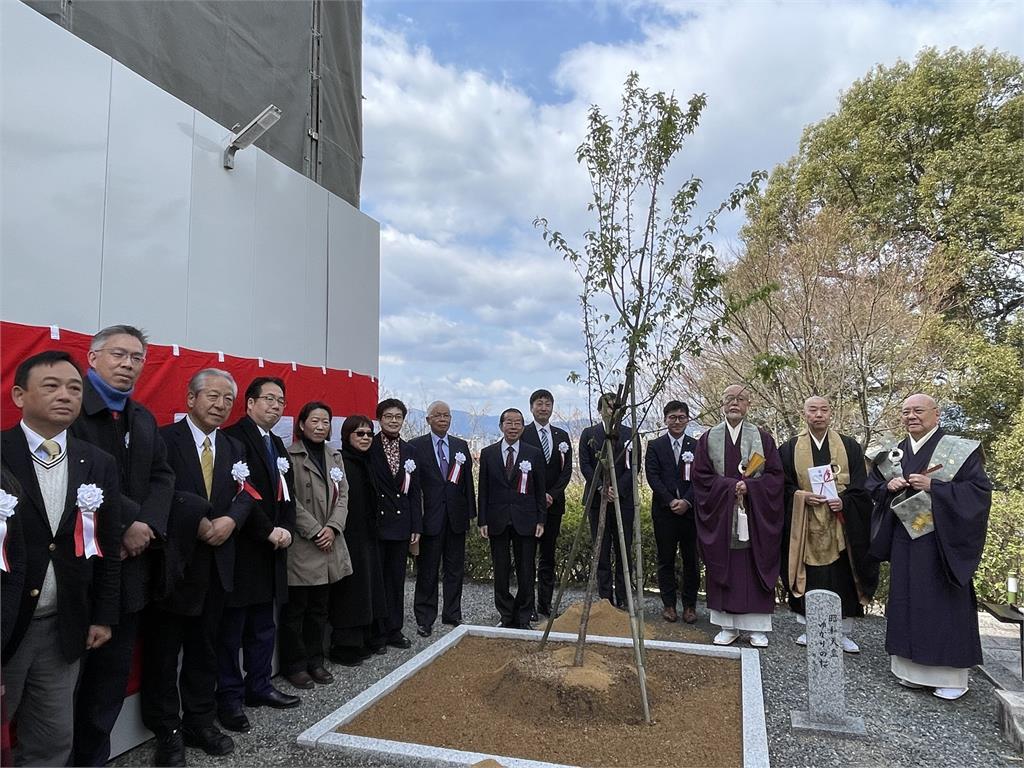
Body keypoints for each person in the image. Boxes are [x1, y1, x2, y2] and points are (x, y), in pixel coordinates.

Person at [0, 351, 121, 766]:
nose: (66, 395)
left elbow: (106, 545)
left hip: (62, 627)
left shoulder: (97, 462)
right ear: (19, 395)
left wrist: (102, 614)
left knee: (52, 740)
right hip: (5, 625)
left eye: (75, 388)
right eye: (51, 386)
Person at [71, 325, 176, 766]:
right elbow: (77, 473)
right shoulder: (71, 409)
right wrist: (130, 520)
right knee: (63, 687)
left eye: (137, 358)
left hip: (130, 571)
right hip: (79, 571)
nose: (128, 364)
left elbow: (163, 477)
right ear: (93, 358)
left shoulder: (143, 417)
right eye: (118, 354)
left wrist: (147, 524)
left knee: (108, 682)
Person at [143, 368, 254, 765]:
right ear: (190, 399)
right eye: (212, 396)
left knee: (206, 650)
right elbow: (154, 491)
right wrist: (198, 520)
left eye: (228, 399)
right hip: (175, 565)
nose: (220, 405)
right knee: (162, 652)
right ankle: (167, 729)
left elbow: (247, 493)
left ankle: (200, 720)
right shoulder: (162, 439)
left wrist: (232, 520)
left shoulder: (233, 446)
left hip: (218, 564)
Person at [867, 393, 991, 700]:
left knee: (941, 603)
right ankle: (910, 671)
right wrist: (887, 486)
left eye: (918, 411)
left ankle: (949, 678)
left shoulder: (957, 450)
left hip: (941, 542)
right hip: (904, 539)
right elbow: (871, 486)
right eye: (906, 412)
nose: (911, 416)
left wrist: (935, 486)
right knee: (907, 599)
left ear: (936, 414)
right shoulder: (894, 452)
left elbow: (978, 492)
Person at [219, 378, 299, 727]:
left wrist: (287, 529)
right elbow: (241, 494)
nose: (276, 406)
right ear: (249, 403)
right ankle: (230, 698)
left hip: (274, 550)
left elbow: (287, 494)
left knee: (264, 625)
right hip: (245, 548)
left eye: (281, 401)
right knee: (232, 630)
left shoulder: (277, 444)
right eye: (269, 399)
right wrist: (267, 530)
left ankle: (260, 684)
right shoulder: (234, 438)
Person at [780, 396, 878, 653]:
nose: (819, 415)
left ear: (831, 413)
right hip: (805, 522)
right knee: (812, 575)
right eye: (813, 410)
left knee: (842, 574)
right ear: (805, 414)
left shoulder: (849, 446)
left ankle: (843, 631)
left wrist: (844, 502)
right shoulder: (790, 448)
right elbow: (783, 486)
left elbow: (862, 486)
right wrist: (801, 497)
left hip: (841, 523)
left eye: (824, 410)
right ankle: (809, 628)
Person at [692, 384, 784, 647]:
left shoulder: (763, 438)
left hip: (754, 517)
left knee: (752, 567)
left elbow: (776, 477)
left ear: (748, 405)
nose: (735, 403)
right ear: (722, 403)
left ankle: (757, 629)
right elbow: (700, 477)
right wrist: (729, 486)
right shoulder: (709, 438)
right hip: (722, 516)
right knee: (726, 565)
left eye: (740, 399)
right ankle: (727, 626)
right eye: (730, 399)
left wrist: (751, 487)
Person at [281, 401, 351, 688]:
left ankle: (315, 660)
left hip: (329, 542)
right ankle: (295, 664)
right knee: (297, 609)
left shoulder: (335, 455)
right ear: (301, 424)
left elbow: (344, 494)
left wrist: (333, 528)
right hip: (303, 543)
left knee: (320, 608)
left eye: (325, 422)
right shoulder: (289, 456)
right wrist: (315, 530)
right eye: (315, 421)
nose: (321, 427)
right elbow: (288, 498)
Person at [408, 401, 475, 637]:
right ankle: (425, 618)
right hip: (430, 518)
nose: (443, 419)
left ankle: (452, 613)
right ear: (428, 420)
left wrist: (471, 514)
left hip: (455, 517)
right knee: (427, 570)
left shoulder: (460, 446)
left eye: (446, 415)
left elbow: (467, 483)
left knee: (455, 569)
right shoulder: (415, 447)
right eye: (437, 415)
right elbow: (413, 488)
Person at [477, 408, 546, 628]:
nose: (513, 427)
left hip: (526, 520)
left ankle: (524, 616)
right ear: (501, 426)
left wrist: (541, 520)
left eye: (518, 423)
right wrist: (483, 520)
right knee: (500, 570)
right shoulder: (488, 453)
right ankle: (506, 615)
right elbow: (484, 490)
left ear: (523, 427)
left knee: (526, 570)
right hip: (497, 520)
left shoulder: (533, 453)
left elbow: (540, 488)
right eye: (509, 422)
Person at [328, 415, 388, 664]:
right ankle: (345, 645)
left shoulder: (368, 462)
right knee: (350, 592)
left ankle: (365, 638)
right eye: (359, 434)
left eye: (368, 434)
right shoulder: (341, 462)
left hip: (368, 536)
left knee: (369, 589)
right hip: (348, 536)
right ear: (347, 436)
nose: (365, 438)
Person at [368, 399, 422, 649]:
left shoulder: (409, 450)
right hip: (377, 524)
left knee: (396, 579)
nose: (393, 420)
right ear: (379, 419)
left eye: (398, 416)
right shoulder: (370, 446)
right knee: (377, 580)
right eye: (388, 416)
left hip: (402, 524)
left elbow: (414, 492)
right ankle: (377, 633)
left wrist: (416, 526)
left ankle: (394, 629)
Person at [579, 393, 639, 609]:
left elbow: (634, 466)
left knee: (624, 549)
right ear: (600, 409)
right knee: (601, 549)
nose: (611, 411)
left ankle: (624, 596)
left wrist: (617, 489)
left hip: (623, 500)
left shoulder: (630, 434)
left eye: (616, 407)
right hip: (597, 499)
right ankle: (605, 597)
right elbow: (585, 465)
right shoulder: (589, 434)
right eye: (608, 407)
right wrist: (602, 488)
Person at [644, 400, 700, 624]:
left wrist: (687, 500)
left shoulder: (696, 445)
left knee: (691, 560)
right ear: (665, 419)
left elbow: (701, 478)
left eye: (681, 417)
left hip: (690, 512)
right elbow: (652, 476)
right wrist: (670, 501)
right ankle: (668, 604)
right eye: (672, 417)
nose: (677, 421)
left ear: (687, 419)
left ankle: (689, 605)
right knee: (665, 559)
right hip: (664, 512)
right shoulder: (655, 445)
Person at [521, 389, 573, 619]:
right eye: (539, 404)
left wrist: (552, 494)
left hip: (554, 504)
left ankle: (545, 603)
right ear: (531, 407)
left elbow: (566, 471)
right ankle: (528, 605)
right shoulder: (523, 433)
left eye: (547, 404)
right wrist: (538, 495)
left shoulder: (561, 436)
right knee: (527, 556)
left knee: (548, 556)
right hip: (529, 505)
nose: (544, 408)